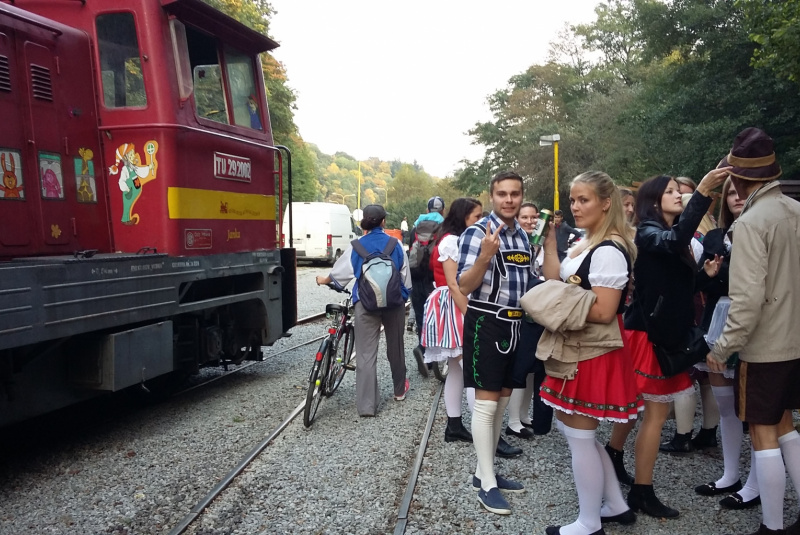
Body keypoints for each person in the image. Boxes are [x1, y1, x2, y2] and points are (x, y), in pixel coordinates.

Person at [535, 171, 641, 535]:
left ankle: (589, 522)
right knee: (579, 435)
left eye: (584, 200)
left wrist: (555, 307)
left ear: (606, 203)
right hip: (581, 347)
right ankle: (615, 505)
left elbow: (604, 311)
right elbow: (555, 280)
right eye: (573, 200)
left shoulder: (609, 249)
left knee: (579, 437)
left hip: (593, 350)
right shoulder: (588, 241)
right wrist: (551, 244)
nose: (575, 207)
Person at [706, 127, 800, 535]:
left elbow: (746, 299)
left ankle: (772, 526)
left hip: (766, 345)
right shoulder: (795, 210)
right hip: (795, 339)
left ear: (737, 177)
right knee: (786, 426)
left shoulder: (750, 223)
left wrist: (722, 347)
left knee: (763, 434)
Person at [622, 169, 728, 518]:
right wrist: (702, 192)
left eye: (678, 191)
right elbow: (676, 239)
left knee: (647, 412)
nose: (678, 195)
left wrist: (703, 277)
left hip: (662, 332)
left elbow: (675, 288)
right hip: (649, 334)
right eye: (670, 191)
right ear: (654, 201)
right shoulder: (649, 232)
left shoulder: (665, 234)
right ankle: (641, 490)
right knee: (653, 414)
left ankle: (618, 462)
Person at [457, 171, 532, 515]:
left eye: (515, 193)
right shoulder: (477, 233)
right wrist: (485, 256)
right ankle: (487, 485)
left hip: (515, 324)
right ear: (492, 196)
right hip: (487, 322)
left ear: (521, 196)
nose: (509, 200)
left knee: (501, 403)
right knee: (486, 407)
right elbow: (465, 285)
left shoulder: (523, 236)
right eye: (502, 194)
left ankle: (482, 472)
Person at [693, 177, 761, 511]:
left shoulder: (760, 230)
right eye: (731, 193)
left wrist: (721, 275)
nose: (737, 198)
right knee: (726, 408)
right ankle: (730, 474)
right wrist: (712, 274)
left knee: (757, 411)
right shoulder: (715, 236)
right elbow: (701, 281)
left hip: (754, 324)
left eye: (742, 192)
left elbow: (753, 284)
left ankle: (755, 484)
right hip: (717, 322)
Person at [315, 204, 412, 416]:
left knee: (366, 354)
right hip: (393, 305)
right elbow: (406, 280)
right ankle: (399, 391)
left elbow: (339, 274)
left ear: (363, 223)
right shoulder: (395, 244)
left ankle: (367, 406)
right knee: (395, 348)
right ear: (384, 221)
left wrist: (324, 280)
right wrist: (400, 297)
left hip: (365, 304)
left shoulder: (356, 246)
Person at [421, 198, 483, 443]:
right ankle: (484, 430)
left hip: (453, 303)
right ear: (463, 217)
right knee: (472, 369)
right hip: (454, 304)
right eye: (477, 216)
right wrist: (471, 315)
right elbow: (453, 283)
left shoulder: (454, 238)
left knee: (457, 369)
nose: (481, 221)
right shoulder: (452, 241)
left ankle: (454, 425)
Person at [506, 202, 552, 439]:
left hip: (541, 312)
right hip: (521, 312)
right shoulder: (516, 244)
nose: (530, 221)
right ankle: (513, 421)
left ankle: (524, 415)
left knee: (534, 368)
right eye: (524, 217)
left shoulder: (544, 244)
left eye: (534, 217)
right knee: (521, 367)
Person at [409, 196, 446, 378]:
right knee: (438, 317)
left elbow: (410, 252)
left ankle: (424, 352)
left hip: (417, 279)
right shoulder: (445, 228)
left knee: (421, 317)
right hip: (435, 279)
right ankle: (436, 356)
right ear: (443, 210)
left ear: (427, 209)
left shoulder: (416, 227)